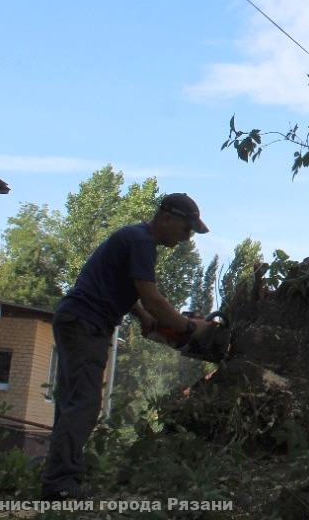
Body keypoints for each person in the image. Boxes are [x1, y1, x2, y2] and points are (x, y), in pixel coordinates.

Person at [40, 193, 213, 501]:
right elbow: (153, 297)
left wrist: (143, 317)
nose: (187, 238)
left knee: (72, 401)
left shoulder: (135, 239)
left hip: (79, 320)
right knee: (84, 403)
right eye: (186, 230)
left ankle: (58, 480)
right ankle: (61, 485)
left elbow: (127, 289)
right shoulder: (141, 241)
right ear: (167, 218)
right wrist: (188, 327)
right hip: (85, 322)